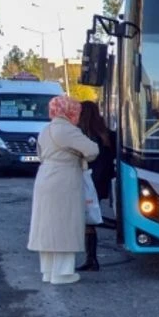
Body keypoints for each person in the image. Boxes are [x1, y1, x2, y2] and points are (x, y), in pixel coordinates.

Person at [27, 95, 99, 285]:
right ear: (71, 112)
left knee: (47, 226)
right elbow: (93, 150)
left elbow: (40, 154)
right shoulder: (68, 130)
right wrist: (79, 155)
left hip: (45, 176)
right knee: (64, 225)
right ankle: (62, 273)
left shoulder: (46, 129)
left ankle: (48, 271)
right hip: (64, 178)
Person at [76, 101, 115, 271]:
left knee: (87, 219)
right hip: (101, 181)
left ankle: (91, 259)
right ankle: (91, 259)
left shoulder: (83, 134)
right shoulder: (106, 133)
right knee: (90, 217)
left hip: (87, 180)